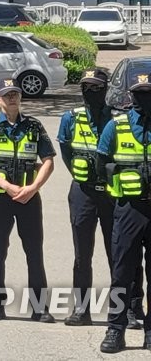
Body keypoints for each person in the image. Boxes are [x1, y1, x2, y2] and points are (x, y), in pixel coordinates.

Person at [59, 68, 143, 327]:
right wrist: (83, 176)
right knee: (82, 255)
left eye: (95, 87)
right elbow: (66, 152)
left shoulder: (118, 119)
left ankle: (130, 308)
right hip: (83, 192)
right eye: (85, 87)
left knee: (122, 254)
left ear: (106, 90)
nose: (89, 92)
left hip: (112, 194)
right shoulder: (70, 118)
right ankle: (81, 310)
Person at [0, 77, 56, 322]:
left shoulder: (34, 126)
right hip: (0, 198)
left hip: (29, 199)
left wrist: (33, 187)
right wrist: (7, 186)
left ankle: (39, 308)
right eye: (7, 94)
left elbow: (49, 160)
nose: (12, 97)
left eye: (15, 93)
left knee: (34, 252)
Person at [98, 69, 151, 353]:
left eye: (149, 95)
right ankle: (115, 330)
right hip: (128, 208)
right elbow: (102, 163)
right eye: (140, 95)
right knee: (121, 274)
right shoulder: (115, 126)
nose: (145, 100)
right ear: (131, 97)